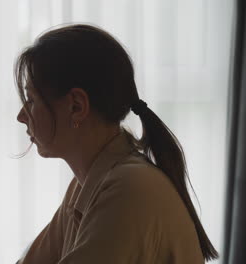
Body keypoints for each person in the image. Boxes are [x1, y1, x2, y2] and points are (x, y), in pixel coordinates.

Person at [14, 24, 218, 263]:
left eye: (31, 99)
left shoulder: (130, 189)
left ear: (76, 106)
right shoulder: (86, 186)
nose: (21, 116)